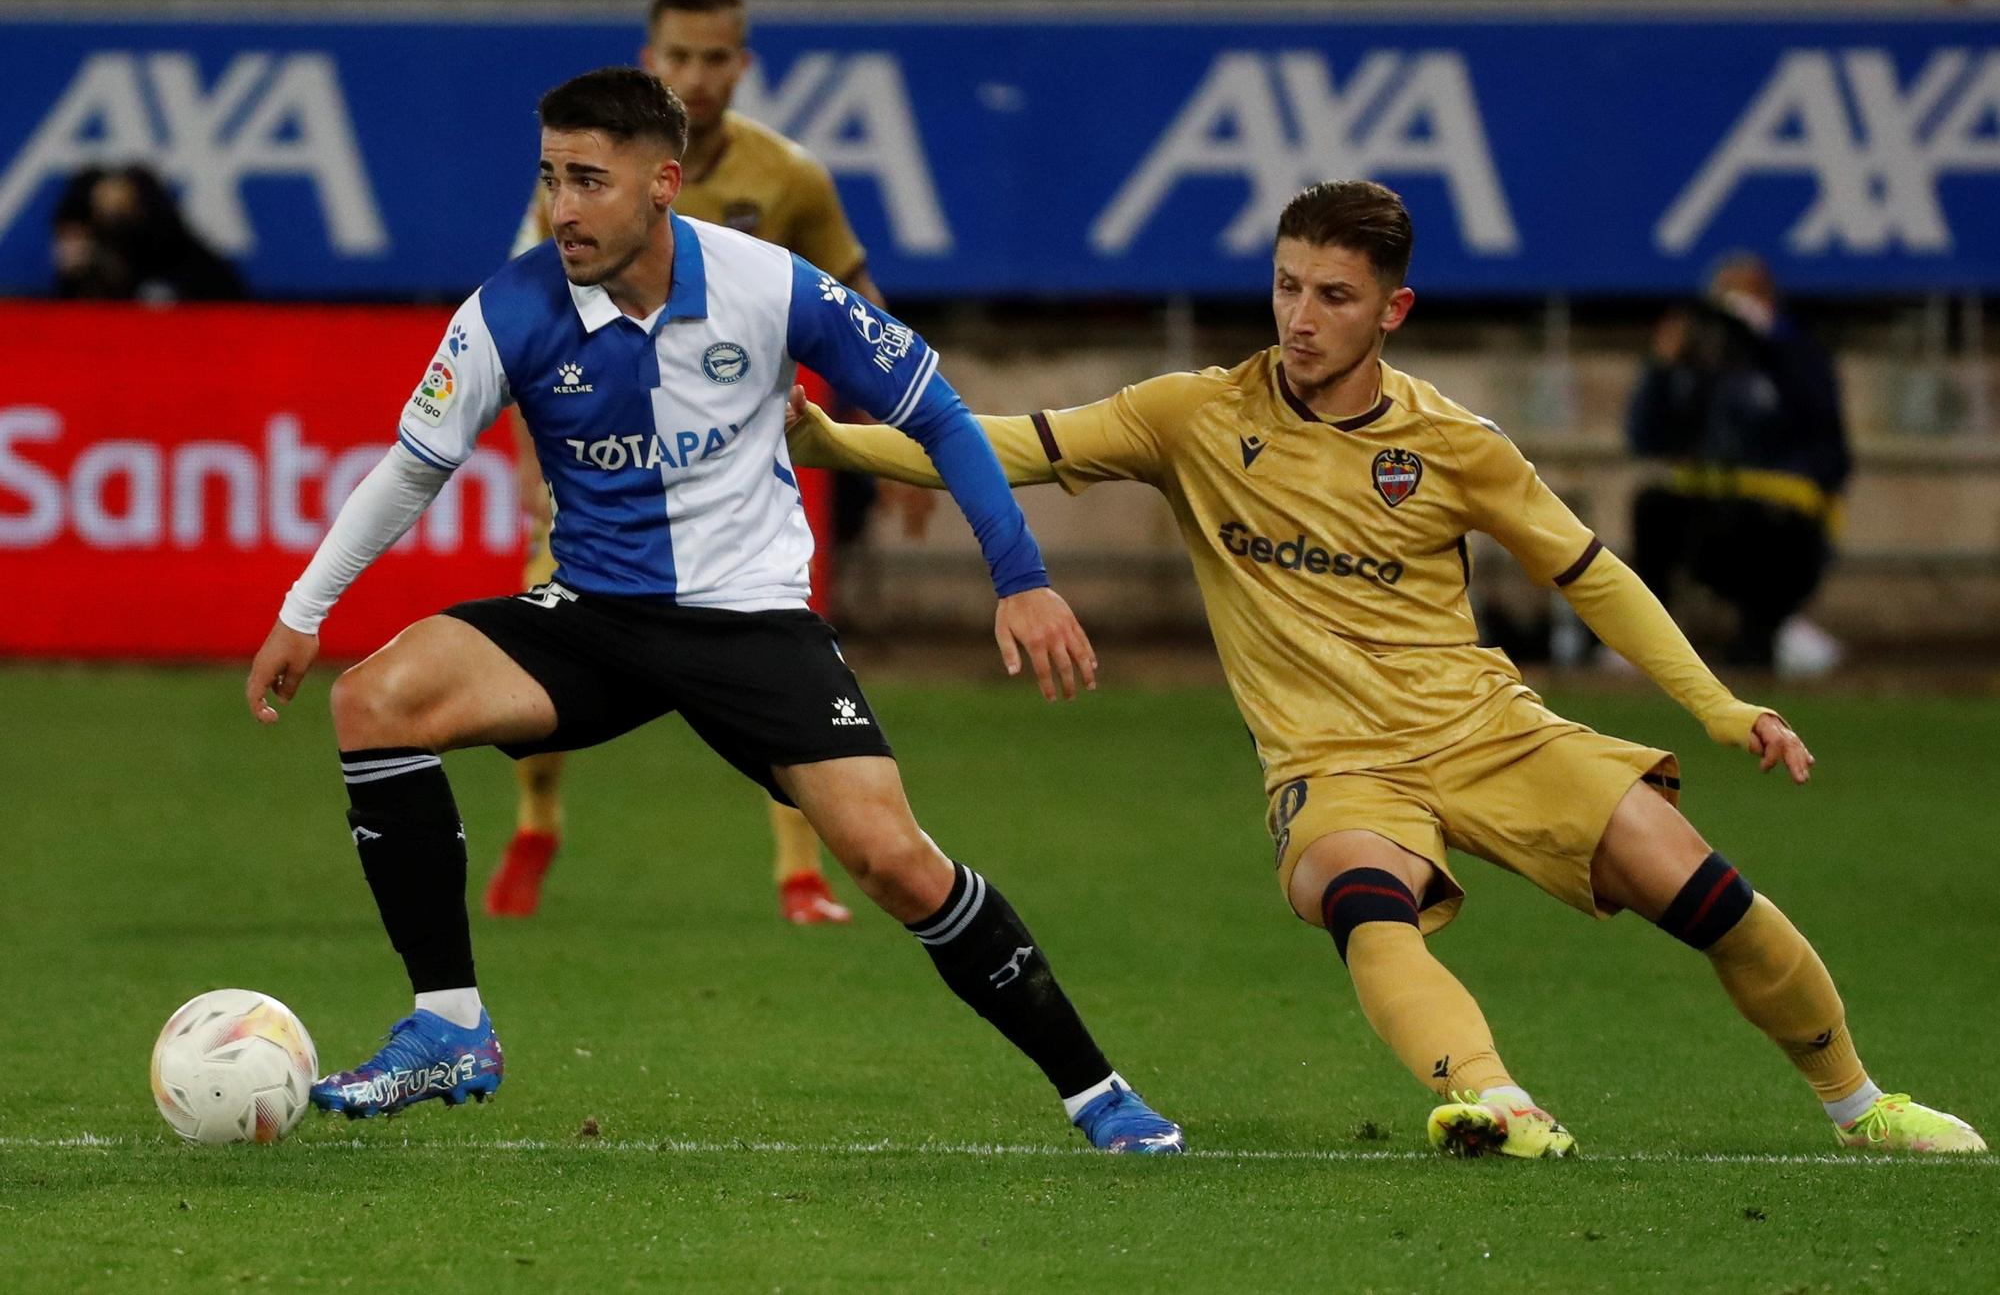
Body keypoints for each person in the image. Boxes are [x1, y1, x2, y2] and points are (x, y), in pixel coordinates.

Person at [785, 180, 1985, 1157]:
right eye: (1285, 286)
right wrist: (834, 440)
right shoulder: (1192, 414)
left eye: (1333, 296)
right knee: (1362, 898)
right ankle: (1495, 1101)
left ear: (1391, 309)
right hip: (1331, 762)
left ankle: (1859, 1104)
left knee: (1705, 893)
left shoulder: (1452, 443)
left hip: (1485, 727)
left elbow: (1590, 573)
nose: (1299, 318)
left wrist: (1715, 705)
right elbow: (1007, 444)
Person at [241, 68, 1183, 1154]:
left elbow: (935, 409)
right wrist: (304, 610)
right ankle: (450, 1025)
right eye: (550, 177)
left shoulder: (767, 284)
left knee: (892, 861)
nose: (562, 207)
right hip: (594, 616)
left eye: (589, 180)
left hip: (753, 626)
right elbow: (413, 469)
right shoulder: (507, 310)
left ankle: (1096, 1090)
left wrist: (1018, 576)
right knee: (374, 700)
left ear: (663, 184)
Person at [488, 0, 926, 926]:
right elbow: (525, 324)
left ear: (742, 63)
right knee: (533, 680)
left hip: (732, 477)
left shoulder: (790, 178)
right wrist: (530, 462)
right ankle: (537, 821)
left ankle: (800, 874)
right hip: (603, 471)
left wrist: (898, 431)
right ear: (652, 60)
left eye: (715, 56)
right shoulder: (587, 177)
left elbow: (858, 305)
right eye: (680, 56)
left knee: (777, 669)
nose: (697, 74)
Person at [1625, 255, 1850, 671]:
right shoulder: (1703, 366)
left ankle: (1765, 636)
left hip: (1779, 523)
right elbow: (1645, 438)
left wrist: (1768, 339)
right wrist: (1661, 366)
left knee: (1763, 527)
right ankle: (1650, 640)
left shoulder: (1798, 355)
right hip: (1711, 514)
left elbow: (1828, 442)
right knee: (1654, 506)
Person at [50, 164, 244, 303]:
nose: (114, 212)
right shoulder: (82, 243)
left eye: (123, 208)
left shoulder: (183, 255)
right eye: (103, 211)